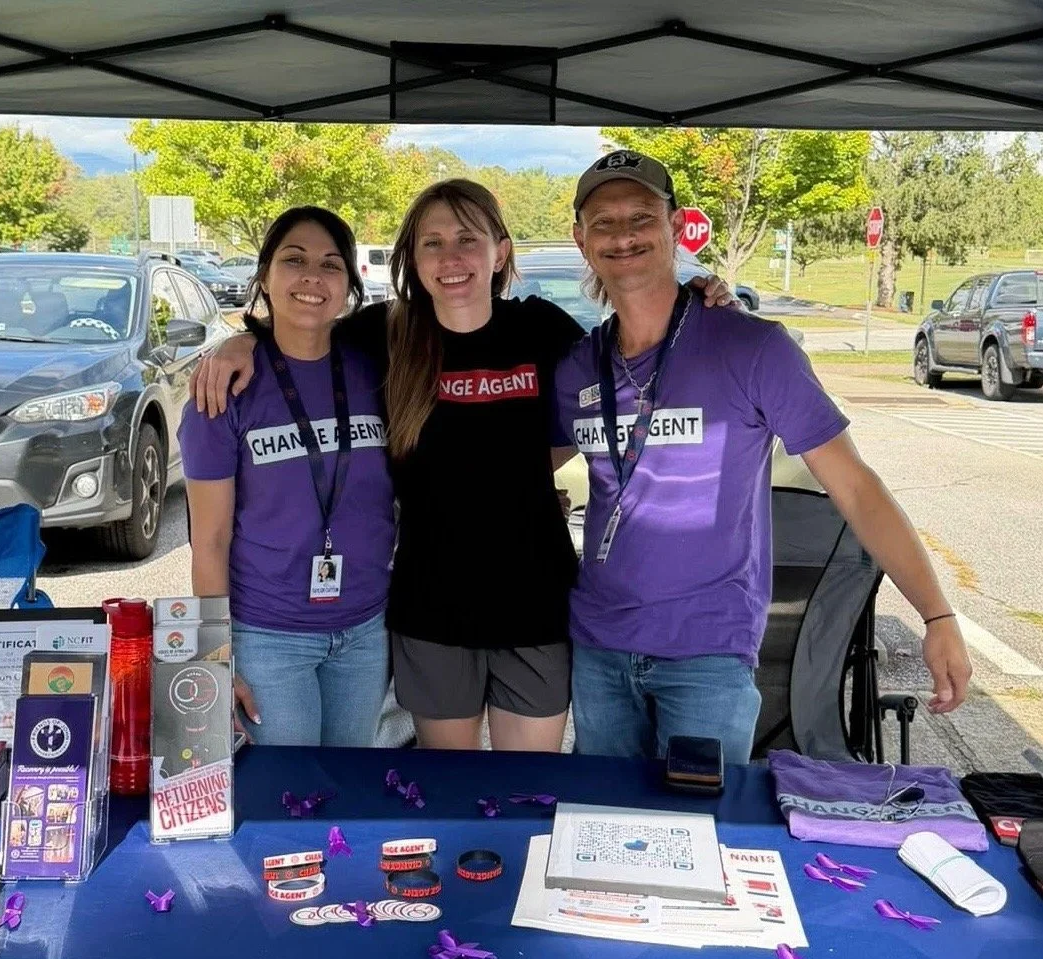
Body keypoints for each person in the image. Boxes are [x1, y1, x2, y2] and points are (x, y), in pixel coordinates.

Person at [192, 178, 739, 751]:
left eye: (467, 239)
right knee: (448, 786)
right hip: (432, 610)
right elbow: (298, 332)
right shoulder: (384, 334)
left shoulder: (541, 328)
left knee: (525, 790)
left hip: (534, 604)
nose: (450, 258)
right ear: (413, 258)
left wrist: (697, 297)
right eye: (432, 243)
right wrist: (238, 343)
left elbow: (631, 359)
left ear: (500, 252)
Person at [553, 150, 973, 763]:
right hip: (599, 646)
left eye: (641, 216)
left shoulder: (753, 348)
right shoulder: (577, 366)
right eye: (604, 222)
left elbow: (855, 488)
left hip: (707, 653)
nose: (624, 236)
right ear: (581, 240)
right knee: (607, 818)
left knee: (700, 816)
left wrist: (936, 615)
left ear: (676, 226)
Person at [179, 206, 395, 747]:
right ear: (264, 276)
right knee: (286, 792)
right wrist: (216, 656)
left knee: (349, 787)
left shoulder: (377, 369)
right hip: (268, 636)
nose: (312, 277)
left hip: (366, 628)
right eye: (294, 260)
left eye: (331, 264)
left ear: (350, 284)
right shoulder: (223, 391)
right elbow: (208, 539)